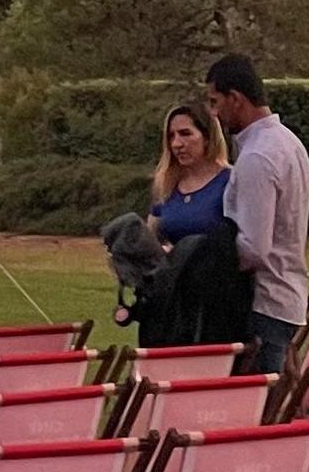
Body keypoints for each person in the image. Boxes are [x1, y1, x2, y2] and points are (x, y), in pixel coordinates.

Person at [101, 97, 242, 342]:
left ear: (207, 136)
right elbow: (152, 236)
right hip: (166, 304)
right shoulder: (166, 186)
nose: (177, 144)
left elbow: (237, 246)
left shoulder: (230, 182)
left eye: (186, 134)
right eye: (171, 136)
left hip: (211, 306)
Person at [206, 53, 309, 376]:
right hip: (287, 296)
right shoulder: (290, 143)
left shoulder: (258, 157)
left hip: (263, 302)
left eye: (215, 101)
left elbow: (254, 247)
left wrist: (203, 258)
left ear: (235, 99)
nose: (214, 113)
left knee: (255, 411)